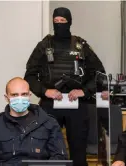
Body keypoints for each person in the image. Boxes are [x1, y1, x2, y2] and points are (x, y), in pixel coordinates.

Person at [24, 7, 105, 166]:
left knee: (78, 150)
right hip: (50, 103)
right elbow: (30, 76)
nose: (59, 24)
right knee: (46, 147)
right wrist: (46, 91)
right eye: (56, 21)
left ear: (69, 22)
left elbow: (99, 75)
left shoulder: (81, 46)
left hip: (77, 104)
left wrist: (83, 91)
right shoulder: (43, 45)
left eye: (63, 21)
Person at [0, 77, 68, 166]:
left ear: (29, 95)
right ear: (6, 97)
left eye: (24, 94)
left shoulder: (49, 123)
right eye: (14, 95)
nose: (20, 99)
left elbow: (60, 158)